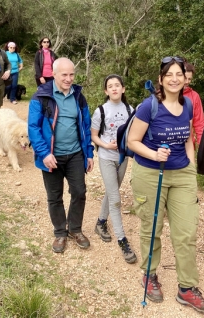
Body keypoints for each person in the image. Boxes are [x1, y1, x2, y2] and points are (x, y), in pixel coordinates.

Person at [128, 56, 204, 313]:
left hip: (181, 174)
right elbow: (133, 141)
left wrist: (189, 165)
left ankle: (187, 288)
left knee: (186, 233)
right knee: (151, 227)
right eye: (169, 75)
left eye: (179, 74)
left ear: (185, 78)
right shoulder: (148, 107)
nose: (175, 79)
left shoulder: (188, 104)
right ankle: (150, 274)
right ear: (161, 80)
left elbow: (188, 136)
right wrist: (154, 154)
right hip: (150, 174)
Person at [28, 58, 94, 254]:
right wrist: (44, 153)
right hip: (51, 156)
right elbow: (33, 128)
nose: (68, 78)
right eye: (64, 74)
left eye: (71, 74)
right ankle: (60, 232)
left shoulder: (79, 97)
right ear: (54, 74)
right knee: (54, 197)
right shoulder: (41, 97)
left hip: (74, 154)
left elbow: (86, 127)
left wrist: (88, 153)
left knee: (79, 192)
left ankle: (75, 229)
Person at [90, 74, 137, 264]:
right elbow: (94, 136)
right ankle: (122, 240)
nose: (114, 88)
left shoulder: (130, 110)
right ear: (106, 91)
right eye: (110, 86)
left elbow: (134, 134)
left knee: (112, 193)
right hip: (106, 157)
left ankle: (101, 222)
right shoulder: (100, 111)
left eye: (117, 85)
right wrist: (106, 145)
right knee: (116, 198)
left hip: (122, 158)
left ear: (123, 89)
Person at [183, 62, 204, 147]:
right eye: (185, 78)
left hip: (188, 146)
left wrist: (203, 146)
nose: (187, 82)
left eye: (189, 79)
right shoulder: (164, 94)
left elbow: (200, 124)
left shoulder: (194, 96)